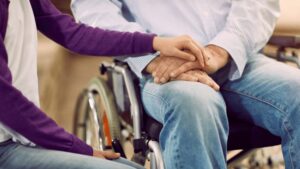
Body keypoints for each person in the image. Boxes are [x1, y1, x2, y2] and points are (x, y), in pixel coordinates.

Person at [71, 0, 300, 169]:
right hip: (159, 64)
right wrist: (152, 51)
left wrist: (223, 49)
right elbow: (93, 7)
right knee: (193, 103)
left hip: (234, 56)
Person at [0, 0, 205, 169]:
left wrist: (155, 43)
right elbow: (6, 102)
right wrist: (79, 148)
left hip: (18, 139)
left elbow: (72, 34)